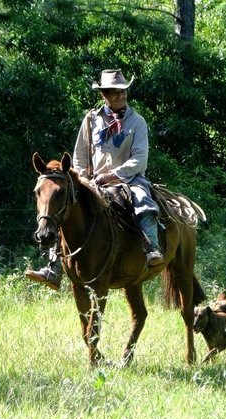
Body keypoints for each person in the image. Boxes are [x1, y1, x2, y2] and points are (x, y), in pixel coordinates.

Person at [25, 69, 164, 290]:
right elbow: (78, 157)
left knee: (143, 202)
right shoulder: (90, 120)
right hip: (93, 181)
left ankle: (152, 248)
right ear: (104, 95)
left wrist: (113, 175)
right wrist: (83, 179)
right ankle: (53, 267)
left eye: (123, 92)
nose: (120, 96)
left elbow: (140, 159)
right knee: (65, 209)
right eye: (114, 92)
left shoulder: (137, 122)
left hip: (128, 180)